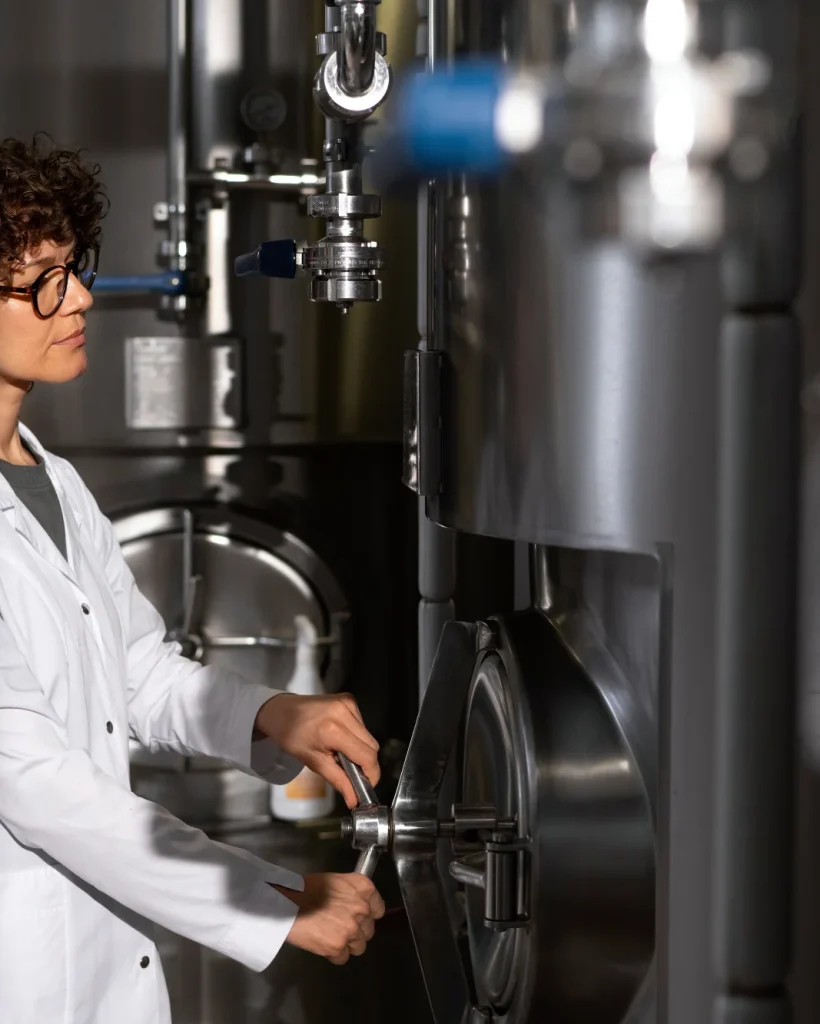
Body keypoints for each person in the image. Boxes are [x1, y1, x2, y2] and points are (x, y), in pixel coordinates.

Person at [0, 136, 385, 1024]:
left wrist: (270, 714)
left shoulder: (51, 480)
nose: (80, 298)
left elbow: (138, 668)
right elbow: (39, 786)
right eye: (44, 281)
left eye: (75, 269)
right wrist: (276, 902)